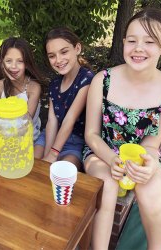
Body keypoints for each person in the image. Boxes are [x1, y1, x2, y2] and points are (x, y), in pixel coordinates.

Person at [83, 8, 161, 249]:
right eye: (132, 40)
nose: (138, 48)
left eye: (149, 41)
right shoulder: (103, 80)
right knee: (108, 183)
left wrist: (148, 164)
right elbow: (91, 134)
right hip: (101, 153)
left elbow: (152, 143)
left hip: (140, 158)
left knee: (153, 188)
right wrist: (111, 159)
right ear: (123, 43)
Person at [34, 27, 94, 170]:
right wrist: (48, 153)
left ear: (77, 48)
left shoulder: (87, 79)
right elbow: (52, 121)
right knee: (34, 167)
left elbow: (70, 119)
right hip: (49, 137)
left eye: (64, 52)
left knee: (62, 174)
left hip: (75, 142)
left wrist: (53, 155)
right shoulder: (55, 83)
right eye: (52, 56)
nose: (58, 60)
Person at [0, 37, 44, 141]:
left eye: (20, 61)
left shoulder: (33, 87)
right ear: (1, 62)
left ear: (27, 63)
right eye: (8, 61)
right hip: (3, 136)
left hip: (27, 138)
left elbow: (25, 123)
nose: (13, 66)